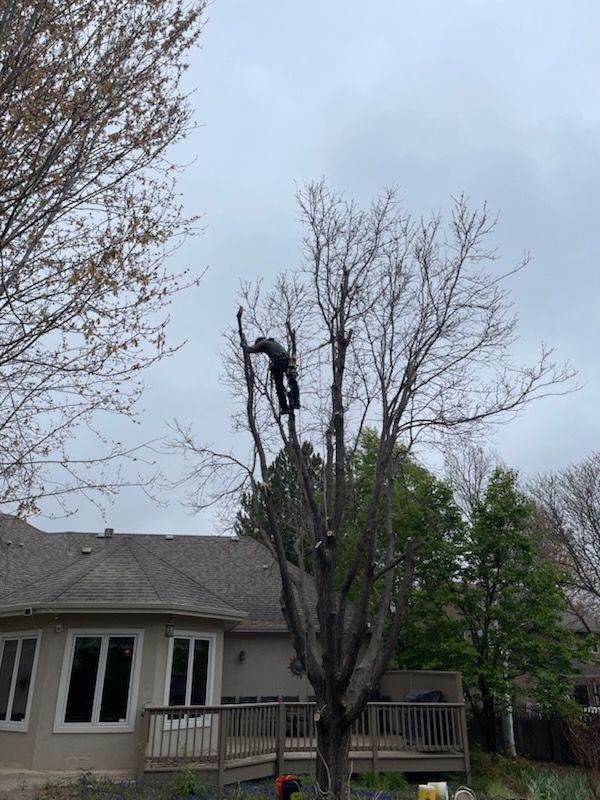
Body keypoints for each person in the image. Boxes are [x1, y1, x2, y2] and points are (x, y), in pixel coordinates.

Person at [243, 337, 300, 414]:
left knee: (279, 386)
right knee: (292, 382)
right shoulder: (274, 342)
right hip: (287, 361)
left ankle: (284, 408)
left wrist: (244, 345)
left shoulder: (263, 343)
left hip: (278, 362)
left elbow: (252, 349)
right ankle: (296, 402)